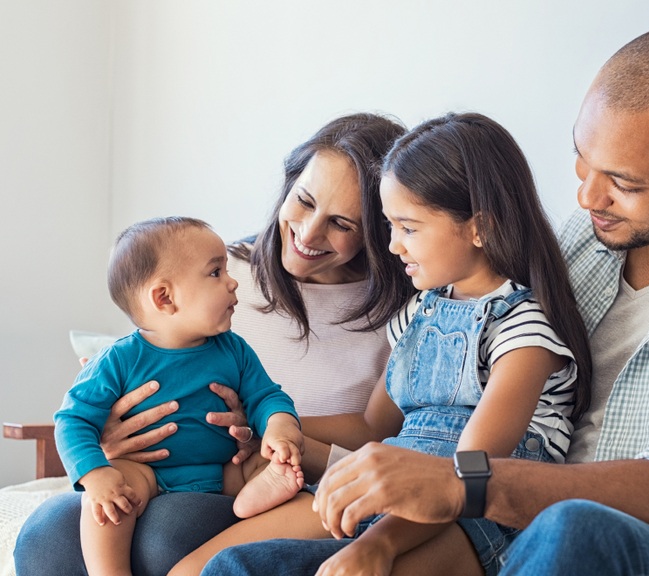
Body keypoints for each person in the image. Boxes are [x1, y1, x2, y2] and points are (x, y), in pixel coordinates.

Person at [200, 27, 649, 576]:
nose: (588, 197)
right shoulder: (584, 242)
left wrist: (467, 485)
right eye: (582, 160)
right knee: (239, 569)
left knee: (571, 530)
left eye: (624, 182)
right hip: (505, 525)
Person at [168, 111, 592, 576]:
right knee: (201, 569)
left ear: (480, 228)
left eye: (408, 228)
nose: (391, 246)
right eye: (390, 226)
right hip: (388, 486)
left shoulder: (523, 332)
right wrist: (269, 421)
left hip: (470, 517)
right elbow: (373, 425)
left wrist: (379, 546)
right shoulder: (419, 313)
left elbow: (470, 475)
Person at [15, 113, 414, 576]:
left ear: (379, 229)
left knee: (166, 533)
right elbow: (101, 396)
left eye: (342, 223)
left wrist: (271, 430)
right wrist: (106, 440)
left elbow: (382, 433)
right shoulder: (211, 273)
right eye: (303, 201)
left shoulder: (403, 315)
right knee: (47, 533)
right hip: (151, 467)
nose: (307, 234)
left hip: (260, 475)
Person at [54, 216, 305, 574]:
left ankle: (255, 496)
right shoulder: (119, 359)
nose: (233, 282)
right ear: (165, 297)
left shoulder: (234, 350)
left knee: (268, 462)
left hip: (224, 470)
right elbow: (72, 420)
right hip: (149, 473)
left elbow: (266, 396)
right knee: (110, 501)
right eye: (216, 272)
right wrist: (95, 476)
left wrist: (280, 428)